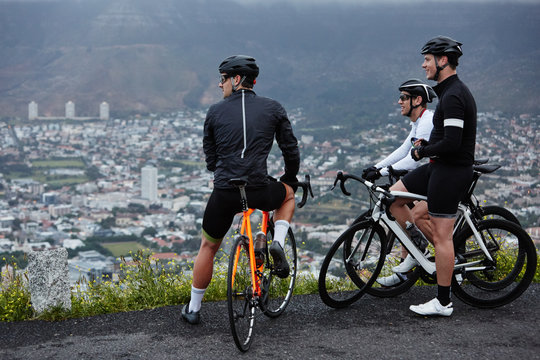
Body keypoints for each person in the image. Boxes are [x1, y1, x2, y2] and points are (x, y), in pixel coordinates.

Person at [182, 55, 300, 325]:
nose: (219, 84)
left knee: (208, 246)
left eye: (222, 78)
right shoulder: (273, 108)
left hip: (225, 190)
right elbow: (290, 149)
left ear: (235, 80)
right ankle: (278, 242)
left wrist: (223, 170)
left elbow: (210, 157)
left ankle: (194, 308)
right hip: (259, 187)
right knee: (288, 195)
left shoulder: (214, 111)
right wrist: (289, 177)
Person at [389, 36, 477, 316]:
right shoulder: (447, 92)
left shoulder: (454, 96)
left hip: (450, 170)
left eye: (427, 59)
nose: (423, 64)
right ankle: (416, 252)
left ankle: (443, 302)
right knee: (393, 199)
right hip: (438, 166)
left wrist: (423, 150)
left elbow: (452, 142)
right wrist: (425, 152)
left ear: (442, 61)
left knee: (442, 237)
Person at [361, 79, 436, 287]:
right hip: (432, 175)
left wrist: (386, 171)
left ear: (417, 100)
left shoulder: (428, 120)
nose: (399, 102)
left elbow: (414, 158)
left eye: (403, 97)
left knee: (396, 202)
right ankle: (406, 269)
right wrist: (376, 168)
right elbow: (403, 150)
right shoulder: (418, 122)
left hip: (441, 175)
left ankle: (422, 251)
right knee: (405, 212)